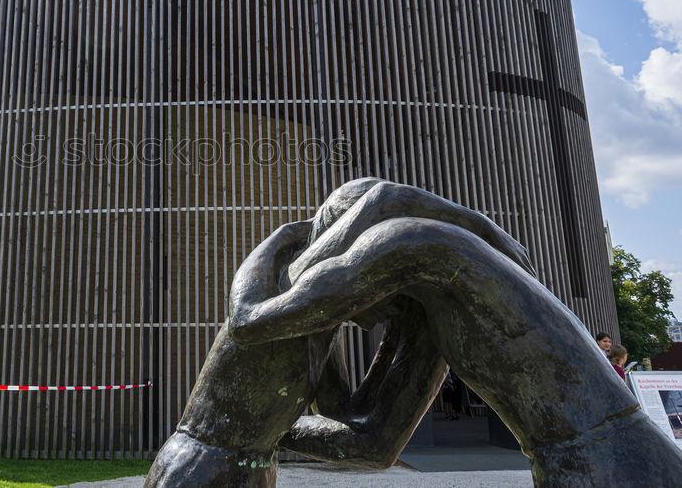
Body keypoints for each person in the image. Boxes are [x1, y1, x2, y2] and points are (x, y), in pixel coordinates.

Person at [227, 179, 682, 487]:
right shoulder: (448, 295)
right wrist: (273, 430)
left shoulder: (409, 243)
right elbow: (367, 439)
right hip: (595, 455)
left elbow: (250, 320)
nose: (360, 319)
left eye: (349, 297)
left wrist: (282, 242)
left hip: (604, 463)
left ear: (353, 241)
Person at [144, 178, 529, 487]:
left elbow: (349, 424)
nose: (374, 316)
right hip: (198, 468)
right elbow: (381, 197)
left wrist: (404, 340)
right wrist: (491, 234)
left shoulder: (319, 327)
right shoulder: (278, 287)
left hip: (255, 467)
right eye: (377, 284)